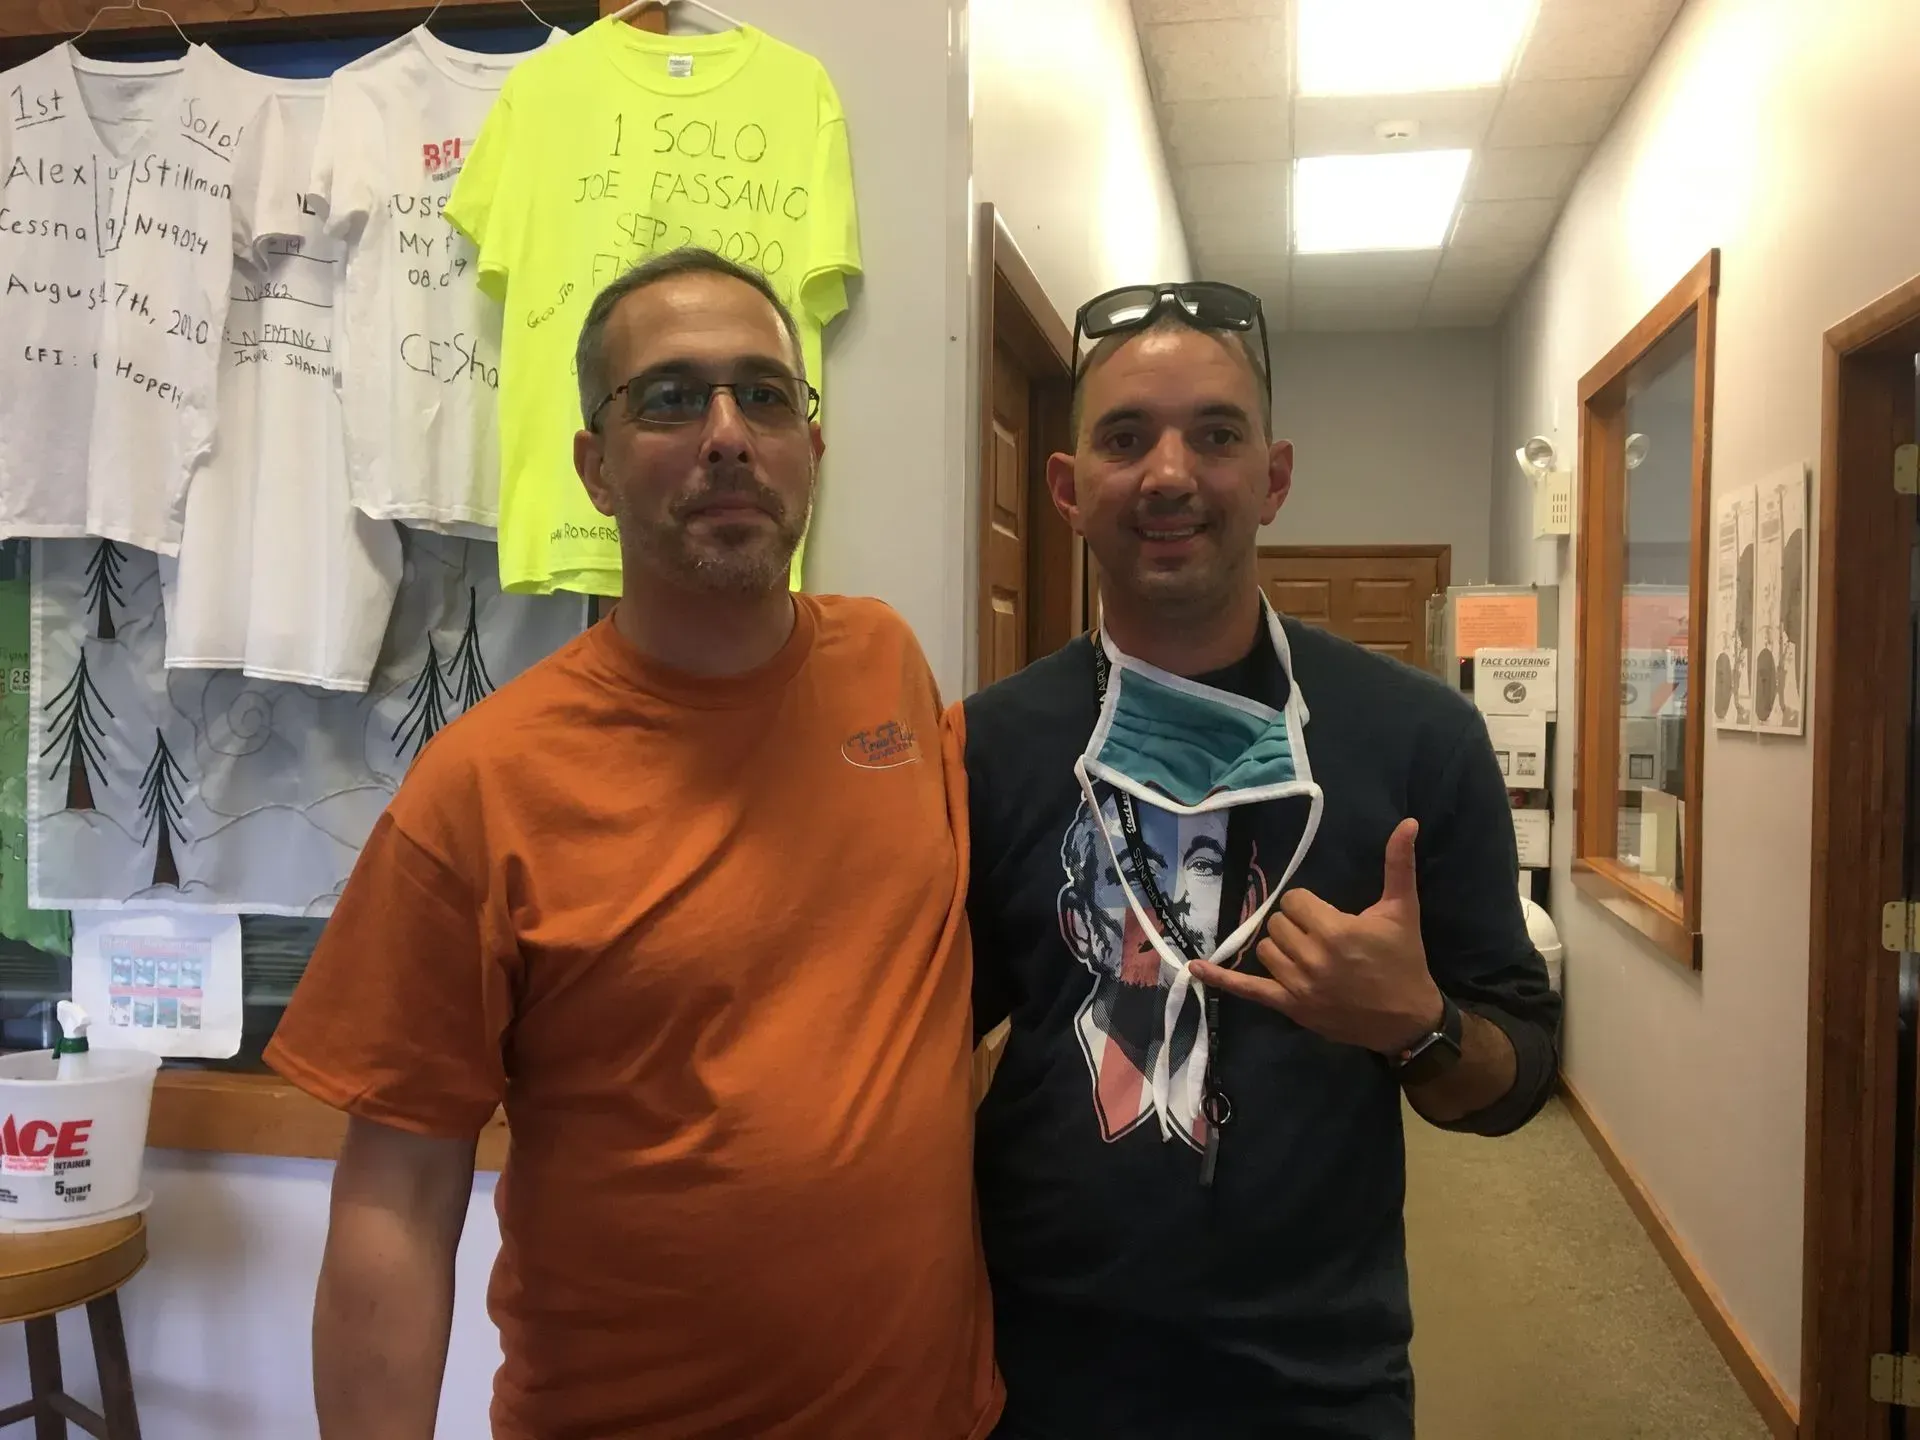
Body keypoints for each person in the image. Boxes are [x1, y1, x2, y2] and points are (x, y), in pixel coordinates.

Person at [266, 248, 1001, 1440]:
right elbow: (397, 1195)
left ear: (812, 449)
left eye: (766, 394)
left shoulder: (888, 668)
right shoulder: (486, 785)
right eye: (670, 396)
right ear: (594, 469)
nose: (727, 433)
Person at [960, 280, 1562, 1440]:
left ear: (1274, 478)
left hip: (1317, 1379)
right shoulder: (988, 747)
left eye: (1217, 434)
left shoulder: (1415, 737)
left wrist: (1414, 1024)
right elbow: (915, 1040)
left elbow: (1516, 1081)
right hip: (1039, 1368)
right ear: (1069, 488)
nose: (1172, 473)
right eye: (1127, 437)